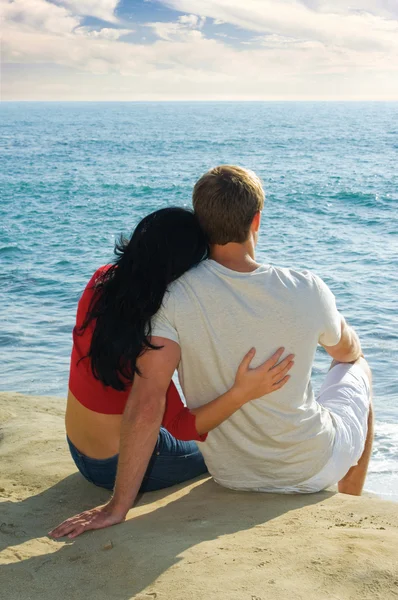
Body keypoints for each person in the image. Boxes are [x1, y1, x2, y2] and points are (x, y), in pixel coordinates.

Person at [50, 167, 373, 540]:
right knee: (358, 369)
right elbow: (349, 351)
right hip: (298, 466)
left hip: (201, 467)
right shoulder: (306, 286)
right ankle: (352, 506)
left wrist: (117, 507)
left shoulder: (140, 291)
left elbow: (147, 400)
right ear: (256, 220)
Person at [56, 207, 294, 509]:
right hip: (114, 467)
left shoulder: (102, 281)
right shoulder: (154, 327)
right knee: (226, 447)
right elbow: (179, 425)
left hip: (78, 450)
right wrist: (242, 392)